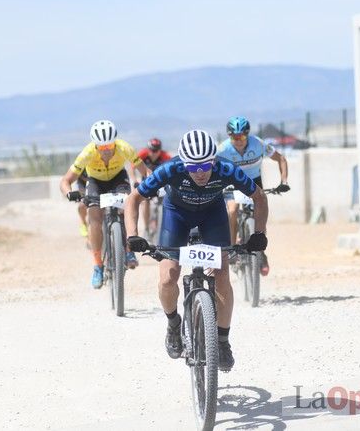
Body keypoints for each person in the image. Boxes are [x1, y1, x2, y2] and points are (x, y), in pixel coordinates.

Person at [124, 130, 269, 371]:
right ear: (183, 163)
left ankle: (222, 341)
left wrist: (259, 234)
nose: (200, 173)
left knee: (221, 275)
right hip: (176, 216)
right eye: (193, 168)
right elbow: (134, 199)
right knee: (169, 276)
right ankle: (173, 324)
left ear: (214, 160)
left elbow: (259, 196)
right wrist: (132, 235)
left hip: (213, 215)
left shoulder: (226, 168)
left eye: (205, 166)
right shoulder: (171, 169)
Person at [59, 120, 151, 289]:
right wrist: (68, 192)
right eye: (102, 148)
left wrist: (151, 185)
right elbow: (65, 180)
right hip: (96, 182)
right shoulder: (87, 153)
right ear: (95, 146)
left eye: (110, 146)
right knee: (94, 218)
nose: (107, 150)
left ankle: (129, 250)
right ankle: (98, 265)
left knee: (128, 207)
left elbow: (145, 171)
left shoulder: (124, 148)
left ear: (115, 142)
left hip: (118, 179)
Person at [216, 116, 289, 275]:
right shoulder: (222, 149)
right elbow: (209, 166)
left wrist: (283, 181)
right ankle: (232, 246)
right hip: (232, 182)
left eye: (242, 136)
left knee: (260, 212)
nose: (238, 140)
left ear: (247, 135)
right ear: (229, 137)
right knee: (233, 209)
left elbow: (281, 159)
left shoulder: (259, 144)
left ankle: (261, 251)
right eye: (234, 137)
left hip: (254, 182)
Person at [131, 138, 172, 238]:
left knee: (165, 201)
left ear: (160, 150)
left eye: (156, 151)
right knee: (145, 201)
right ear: (148, 149)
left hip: (161, 182)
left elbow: (172, 169)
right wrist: (135, 180)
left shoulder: (165, 156)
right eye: (152, 150)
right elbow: (132, 167)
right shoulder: (143, 154)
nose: (154, 153)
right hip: (146, 181)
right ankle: (146, 227)